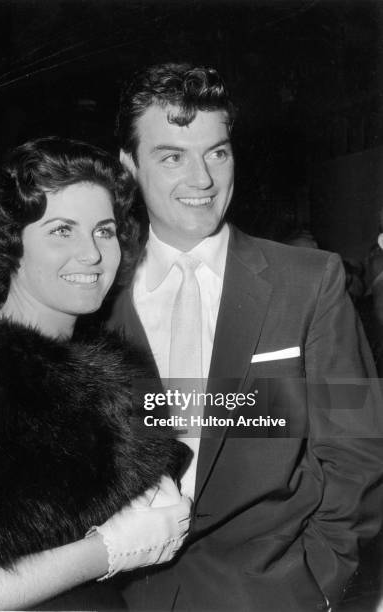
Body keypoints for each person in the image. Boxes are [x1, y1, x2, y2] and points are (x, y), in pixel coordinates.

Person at [104, 62, 383, 611]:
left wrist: (317, 581)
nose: (202, 179)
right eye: (171, 157)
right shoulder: (95, 297)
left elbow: (361, 444)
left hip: (272, 592)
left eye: (217, 152)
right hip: (121, 597)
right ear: (129, 167)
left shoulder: (309, 280)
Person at [0, 138, 191, 611]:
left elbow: (254, 411)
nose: (93, 254)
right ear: (11, 244)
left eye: (104, 231)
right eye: (61, 231)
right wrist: (103, 552)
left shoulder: (108, 369)